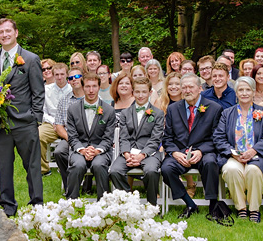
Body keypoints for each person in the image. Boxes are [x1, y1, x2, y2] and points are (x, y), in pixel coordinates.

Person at [0, 19, 45, 215]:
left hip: (25, 122)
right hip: (1, 123)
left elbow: (38, 91)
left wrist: (35, 118)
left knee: (32, 166)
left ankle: (37, 205)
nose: (4, 35)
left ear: (16, 33)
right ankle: (8, 206)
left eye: (8, 31)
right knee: (4, 167)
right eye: (1, 32)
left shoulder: (30, 58)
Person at [160, 73, 223, 219]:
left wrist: (201, 151)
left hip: (204, 151)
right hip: (180, 152)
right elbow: (167, 138)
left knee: (211, 163)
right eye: (184, 87)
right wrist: (175, 153)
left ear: (200, 88)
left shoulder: (214, 108)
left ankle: (213, 205)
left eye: (191, 87)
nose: (187, 90)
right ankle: (189, 204)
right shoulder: (173, 109)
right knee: (166, 168)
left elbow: (217, 138)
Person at [213, 76, 263, 223]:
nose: (244, 93)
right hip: (234, 156)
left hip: (257, 156)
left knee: (253, 171)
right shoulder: (227, 113)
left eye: (248, 89)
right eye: (241, 90)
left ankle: (254, 209)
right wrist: (233, 154)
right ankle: (241, 208)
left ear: (253, 92)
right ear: (236, 93)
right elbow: (218, 137)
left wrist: (253, 151)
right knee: (231, 170)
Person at [109, 78, 164, 206]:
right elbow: (123, 137)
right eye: (137, 92)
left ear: (150, 93)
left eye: (144, 92)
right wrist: (127, 154)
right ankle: (130, 201)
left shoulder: (158, 114)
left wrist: (141, 155)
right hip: (129, 152)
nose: (140, 95)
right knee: (114, 171)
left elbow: (155, 139)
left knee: (151, 171)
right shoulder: (125, 113)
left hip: (149, 153)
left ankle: (151, 205)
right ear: (132, 92)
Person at [62, 72, 116, 199]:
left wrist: (97, 150)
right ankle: (71, 202)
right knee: (78, 165)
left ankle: (104, 203)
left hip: (101, 151)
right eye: (87, 86)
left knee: (99, 165)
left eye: (94, 86)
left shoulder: (109, 110)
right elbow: (72, 136)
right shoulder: (73, 109)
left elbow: (108, 138)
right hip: (79, 149)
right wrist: (82, 150)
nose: (91, 90)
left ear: (99, 87)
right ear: (82, 87)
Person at [52, 66, 86, 181]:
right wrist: (70, 139)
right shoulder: (64, 100)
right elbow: (59, 125)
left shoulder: (92, 98)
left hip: (90, 138)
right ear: (69, 82)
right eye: (71, 78)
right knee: (59, 152)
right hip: (70, 137)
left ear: (83, 78)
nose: (74, 79)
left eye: (77, 76)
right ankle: (69, 183)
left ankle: (87, 182)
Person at [39, 61, 71, 175]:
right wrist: (54, 122)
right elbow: (42, 111)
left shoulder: (72, 90)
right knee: (38, 135)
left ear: (67, 74)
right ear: (53, 75)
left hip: (69, 125)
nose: (59, 77)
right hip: (51, 123)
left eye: (62, 74)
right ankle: (44, 169)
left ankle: (67, 164)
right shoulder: (46, 90)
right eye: (57, 74)